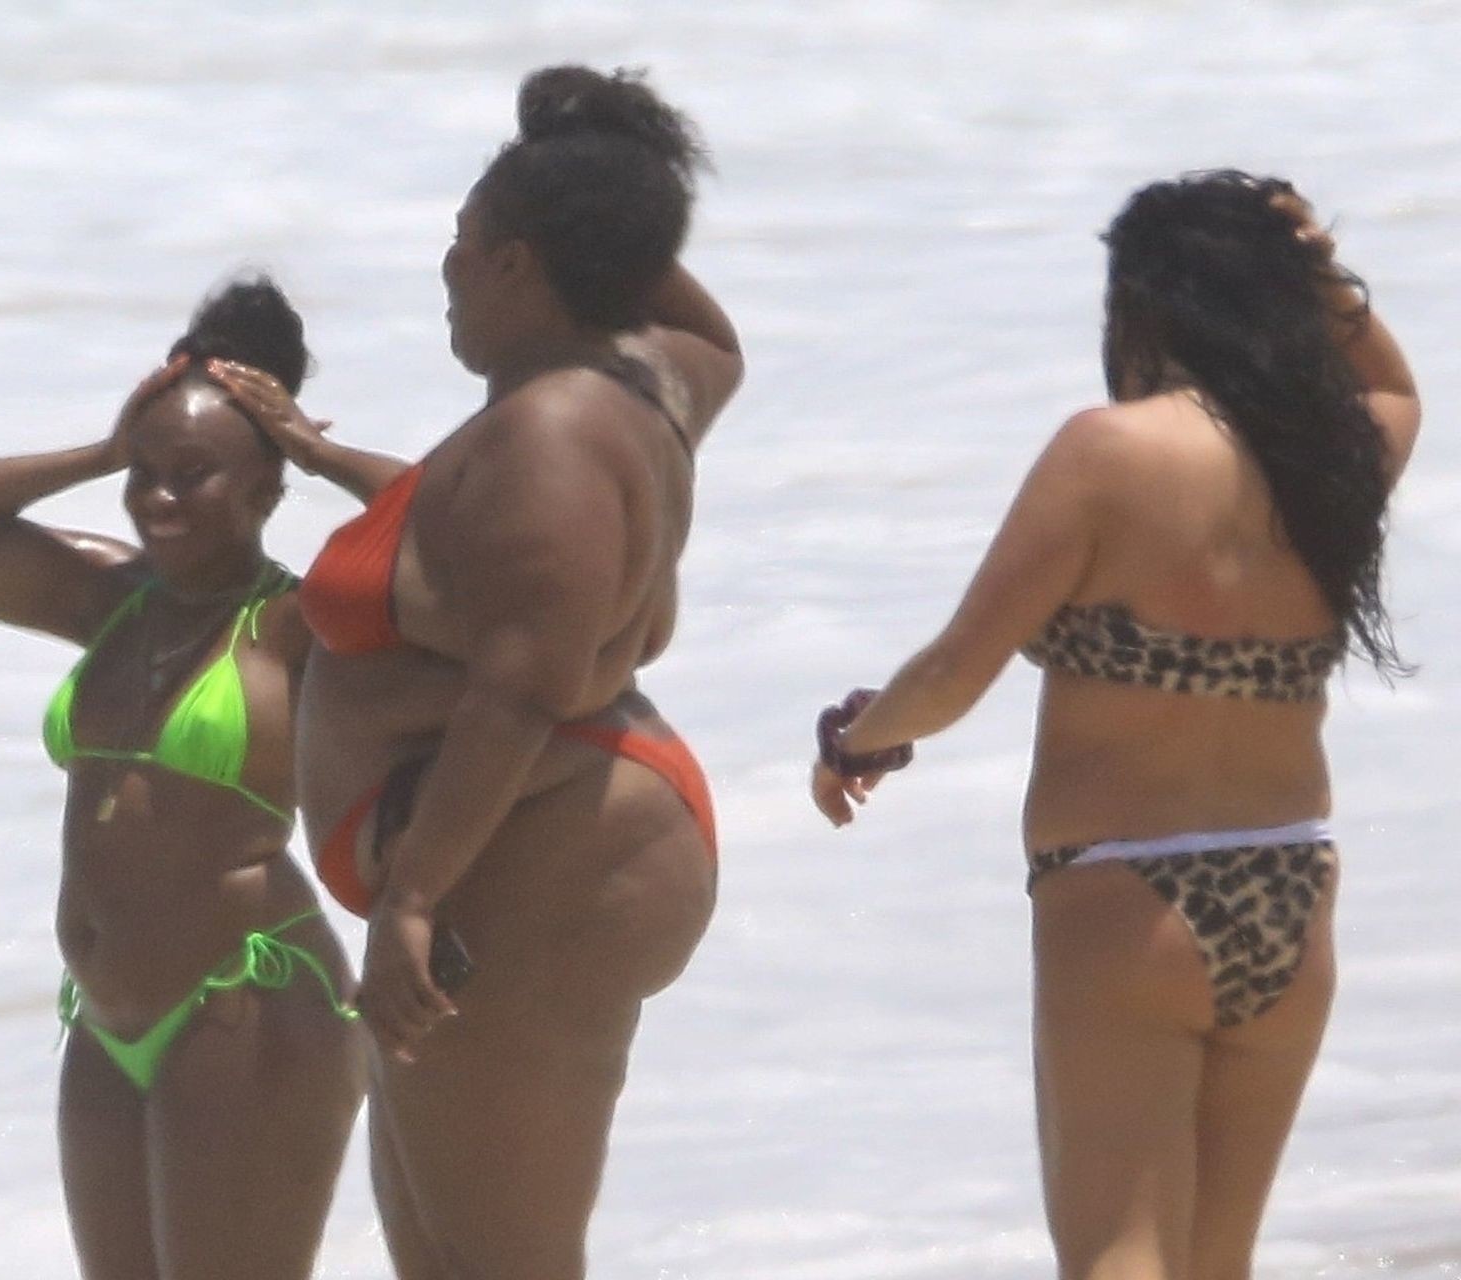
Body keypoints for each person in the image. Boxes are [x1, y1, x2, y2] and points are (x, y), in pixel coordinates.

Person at [809, 173, 1419, 1279]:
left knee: (1118, 1254)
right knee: (1217, 1263)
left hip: (1126, 897)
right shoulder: (1331, 455)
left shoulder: (1110, 451)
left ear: (1142, 303)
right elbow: (1395, 388)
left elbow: (953, 669)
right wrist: (1320, 265)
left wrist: (858, 742)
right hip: (1293, 881)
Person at [211, 64, 742, 1278]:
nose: (444, 270)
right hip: (515, 841)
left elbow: (524, 685)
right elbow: (482, 544)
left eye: (463, 243)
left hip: (532, 851)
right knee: (445, 1254)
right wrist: (596, 156)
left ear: (516, 263)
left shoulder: (551, 432)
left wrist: (411, 896)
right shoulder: (648, 379)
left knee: (499, 1259)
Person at [0, 278, 367, 1280]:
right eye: (144, 473)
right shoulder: (108, 597)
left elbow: (459, 544)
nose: (157, 499)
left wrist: (324, 455)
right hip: (105, 1019)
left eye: (193, 475)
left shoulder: (300, 623)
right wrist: (100, 451)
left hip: (246, 998)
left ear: (267, 489)